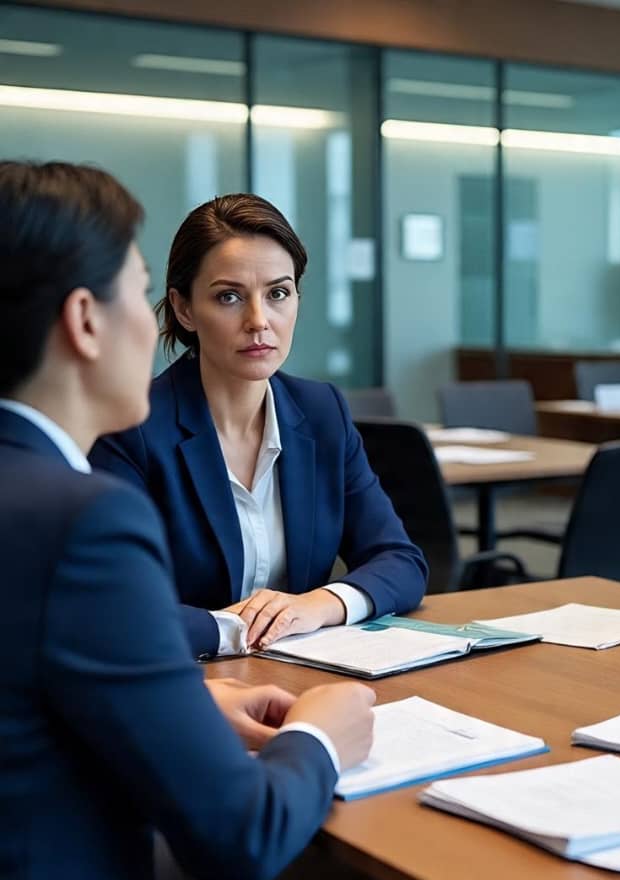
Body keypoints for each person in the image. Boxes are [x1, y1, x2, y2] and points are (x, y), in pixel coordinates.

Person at [0, 161, 377, 880]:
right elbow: (239, 839)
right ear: (87, 320)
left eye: (278, 293)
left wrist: (182, 698)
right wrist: (321, 732)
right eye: (143, 291)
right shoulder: (82, 516)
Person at [91, 194, 427, 660]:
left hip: (306, 674)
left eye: (278, 293)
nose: (258, 321)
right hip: (181, 681)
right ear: (184, 309)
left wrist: (319, 605)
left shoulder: (322, 411)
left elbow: (401, 561)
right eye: (229, 296)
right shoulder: (133, 426)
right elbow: (113, 609)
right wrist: (239, 629)